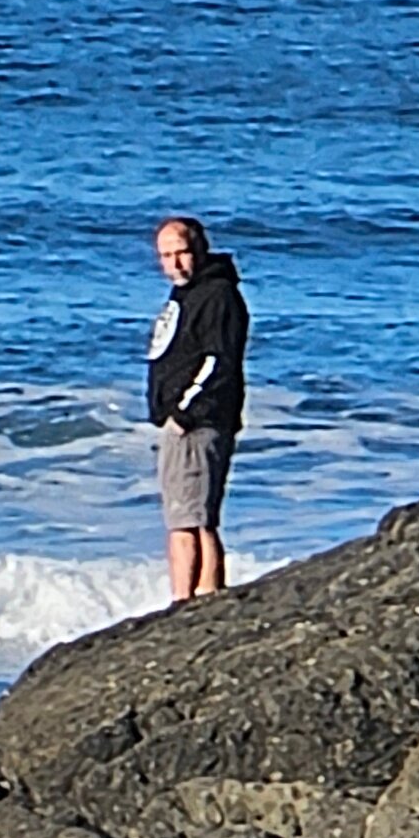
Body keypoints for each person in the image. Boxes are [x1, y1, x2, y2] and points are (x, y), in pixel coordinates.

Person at [146, 215, 248, 602]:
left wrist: (184, 410)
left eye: (181, 253)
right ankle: (190, 596)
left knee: (192, 518)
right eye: (165, 256)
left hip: (199, 420)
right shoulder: (185, 295)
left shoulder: (217, 295)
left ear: (200, 250)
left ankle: (195, 597)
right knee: (186, 515)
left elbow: (218, 360)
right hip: (182, 419)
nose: (174, 263)